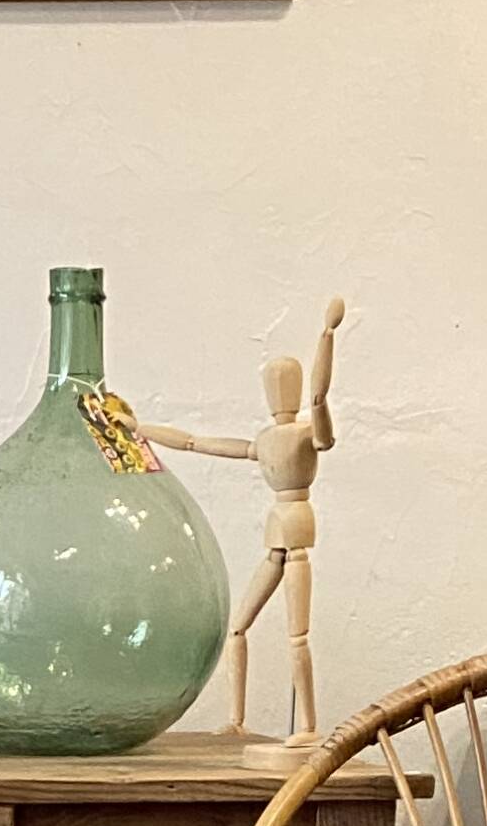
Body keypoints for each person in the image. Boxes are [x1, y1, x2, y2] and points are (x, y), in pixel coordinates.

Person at [143, 299, 345, 738]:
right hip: (276, 537)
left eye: (284, 386)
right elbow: (196, 443)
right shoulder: (266, 438)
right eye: (273, 386)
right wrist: (138, 429)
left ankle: (307, 726)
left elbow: (321, 410)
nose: (278, 396)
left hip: (296, 532)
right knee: (238, 628)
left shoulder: (306, 432)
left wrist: (326, 339)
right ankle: (236, 720)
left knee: (297, 635)